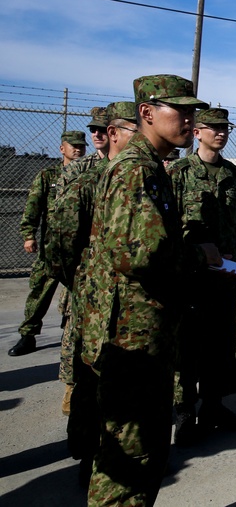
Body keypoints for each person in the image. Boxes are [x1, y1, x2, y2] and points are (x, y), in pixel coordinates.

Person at [79, 74, 217, 505]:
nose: (191, 119)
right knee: (130, 461)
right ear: (147, 112)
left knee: (142, 451)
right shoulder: (138, 168)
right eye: (182, 110)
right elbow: (137, 256)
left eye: (194, 110)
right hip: (131, 335)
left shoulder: (150, 165)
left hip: (142, 329)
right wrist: (202, 257)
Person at [51, 102, 136, 486]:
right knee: (90, 376)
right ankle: (87, 454)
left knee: (121, 381)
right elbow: (62, 242)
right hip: (92, 297)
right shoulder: (87, 177)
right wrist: (85, 279)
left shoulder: (141, 174)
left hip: (131, 301)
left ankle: (116, 451)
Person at [170, 107, 236, 444]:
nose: (220, 133)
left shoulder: (233, 174)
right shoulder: (180, 172)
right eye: (213, 127)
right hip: (191, 278)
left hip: (225, 278)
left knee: (221, 345)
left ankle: (214, 405)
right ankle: (185, 412)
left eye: (225, 128)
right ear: (197, 131)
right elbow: (169, 228)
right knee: (188, 346)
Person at [8, 130, 86, 357]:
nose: (77, 149)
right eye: (73, 145)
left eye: (81, 146)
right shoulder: (48, 175)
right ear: (62, 148)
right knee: (40, 291)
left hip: (79, 248)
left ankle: (70, 332)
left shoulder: (89, 174)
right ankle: (28, 334)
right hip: (52, 248)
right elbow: (33, 206)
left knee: (77, 294)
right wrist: (28, 234)